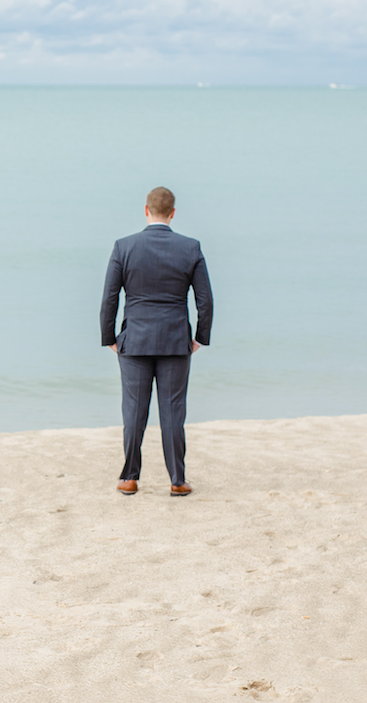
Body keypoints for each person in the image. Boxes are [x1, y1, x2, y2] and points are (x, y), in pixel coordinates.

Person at [99, 186, 214, 496]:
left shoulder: (124, 247)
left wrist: (109, 337)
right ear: (173, 213)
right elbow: (205, 300)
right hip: (176, 342)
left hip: (134, 341)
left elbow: (110, 296)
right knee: (173, 412)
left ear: (146, 210)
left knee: (134, 412)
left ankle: (129, 478)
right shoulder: (190, 248)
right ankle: (177, 480)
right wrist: (199, 338)